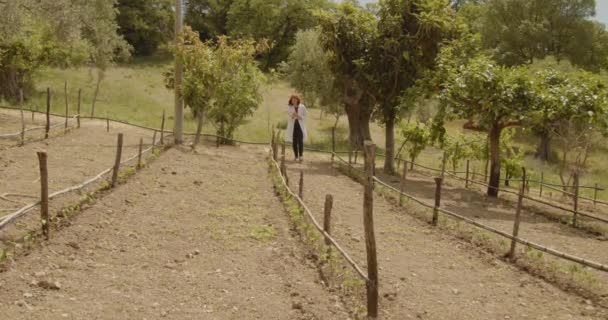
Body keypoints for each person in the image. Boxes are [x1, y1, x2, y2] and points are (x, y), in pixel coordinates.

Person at [286, 94, 307, 162]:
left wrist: (298, 116)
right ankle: (296, 156)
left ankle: (301, 156)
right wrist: (293, 116)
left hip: (300, 126)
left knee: (300, 141)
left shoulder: (302, 107)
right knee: (294, 141)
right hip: (293, 126)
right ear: (291, 100)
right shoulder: (289, 107)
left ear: (298, 100)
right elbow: (289, 118)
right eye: (292, 99)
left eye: (295, 99)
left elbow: (305, 116)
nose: (294, 101)